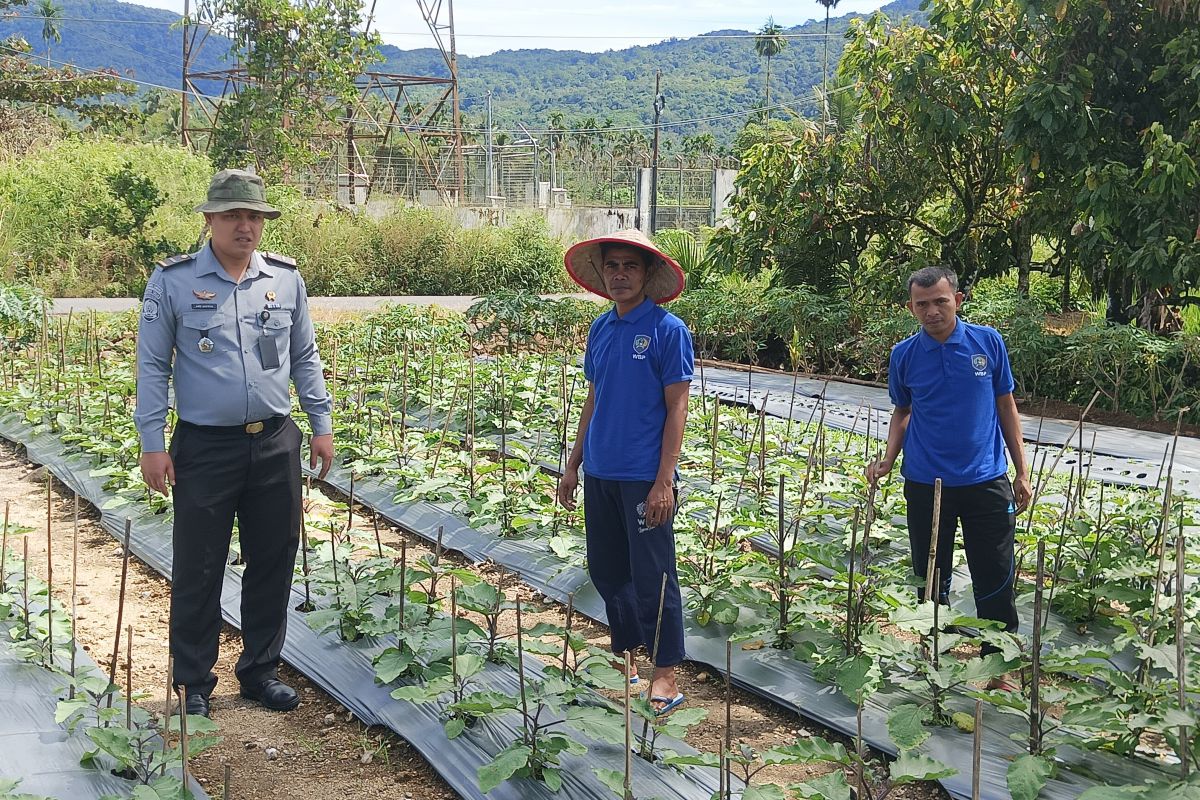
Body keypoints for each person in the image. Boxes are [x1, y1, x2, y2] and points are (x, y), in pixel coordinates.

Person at [135, 168, 334, 718]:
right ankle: (194, 680)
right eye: (233, 216)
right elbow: (152, 365)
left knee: (274, 557)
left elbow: (304, 355)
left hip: (274, 441)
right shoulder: (173, 282)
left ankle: (260, 671)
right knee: (199, 562)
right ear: (210, 220)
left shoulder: (285, 280)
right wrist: (153, 441)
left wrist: (320, 422)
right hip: (205, 446)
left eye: (254, 217)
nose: (245, 226)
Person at [866, 266, 1031, 690]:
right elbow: (902, 413)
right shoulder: (904, 355)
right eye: (923, 304)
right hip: (927, 483)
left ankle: (998, 667)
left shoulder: (987, 343)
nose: (932, 311)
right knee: (930, 573)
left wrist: (1021, 470)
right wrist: (887, 459)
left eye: (940, 301)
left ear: (958, 299)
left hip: (985, 479)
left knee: (994, 573)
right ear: (911, 309)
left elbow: (1006, 405)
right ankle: (934, 654)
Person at [556, 229, 693, 715]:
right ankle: (630, 659)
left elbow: (676, 409)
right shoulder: (601, 329)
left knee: (654, 574)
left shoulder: (667, 331)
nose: (619, 275)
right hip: (602, 471)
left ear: (647, 274)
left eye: (629, 267)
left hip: (642, 475)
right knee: (609, 570)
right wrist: (573, 464)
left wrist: (663, 481)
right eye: (611, 266)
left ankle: (666, 672)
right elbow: (594, 398)